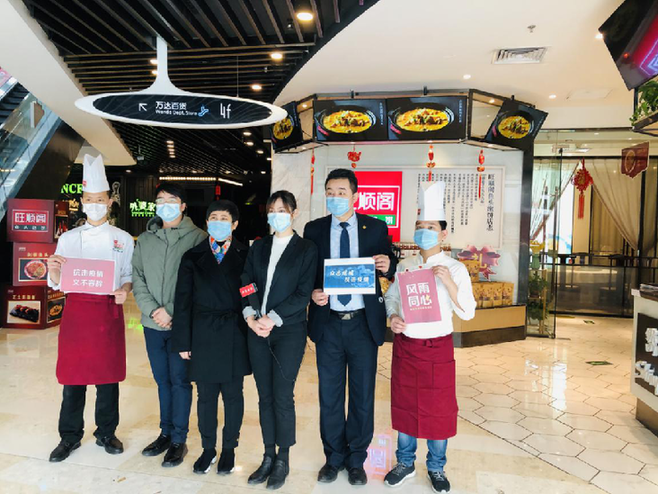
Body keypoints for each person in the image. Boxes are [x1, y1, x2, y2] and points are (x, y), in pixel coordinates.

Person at [304, 168, 397, 486]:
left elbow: (390, 263)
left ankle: (357, 459)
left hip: (362, 324)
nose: (335, 197)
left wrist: (388, 265)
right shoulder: (314, 229)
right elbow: (306, 271)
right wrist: (312, 292)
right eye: (330, 192)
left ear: (355, 196)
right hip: (328, 323)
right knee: (329, 395)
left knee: (362, 395)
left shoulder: (375, 227)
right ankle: (333, 458)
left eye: (341, 192)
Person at [383, 182, 476, 493]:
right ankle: (405, 462)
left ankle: (436, 467)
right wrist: (393, 317)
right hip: (406, 347)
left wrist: (448, 283)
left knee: (438, 409)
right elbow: (392, 298)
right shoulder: (406, 266)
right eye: (420, 226)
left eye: (431, 227)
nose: (424, 232)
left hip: (437, 348)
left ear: (443, 234)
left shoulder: (455, 269)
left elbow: (468, 312)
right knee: (405, 405)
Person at [46, 155, 134, 462]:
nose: (95, 204)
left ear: (109, 202)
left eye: (100, 199)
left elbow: (127, 275)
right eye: (89, 199)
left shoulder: (123, 239)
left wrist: (124, 291)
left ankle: (106, 433)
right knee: (73, 379)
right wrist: (53, 268)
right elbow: (57, 281)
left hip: (108, 313)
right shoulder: (68, 239)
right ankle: (69, 436)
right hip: (77, 314)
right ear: (82, 202)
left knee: (107, 379)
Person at [241, 191, 318, 490]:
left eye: (282, 210)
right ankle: (267, 455)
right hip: (257, 329)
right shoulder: (259, 246)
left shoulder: (306, 249)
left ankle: (283, 458)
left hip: (288, 331)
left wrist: (271, 318)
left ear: (294, 213)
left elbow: (303, 293)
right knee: (264, 396)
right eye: (272, 210)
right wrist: (251, 316)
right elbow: (246, 282)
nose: (276, 215)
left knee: (282, 395)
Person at [171, 200, 251, 475]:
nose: (218, 222)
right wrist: (183, 341)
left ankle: (229, 448)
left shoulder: (246, 254)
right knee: (205, 397)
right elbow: (182, 302)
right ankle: (208, 449)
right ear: (206, 223)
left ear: (235, 224)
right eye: (213, 217)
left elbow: (251, 292)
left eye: (224, 218)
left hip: (235, 332)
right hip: (202, 333)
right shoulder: (192, 256)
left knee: (233, 395)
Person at [132, 182, 207, 467]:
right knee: (162, 380)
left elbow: (201, 283)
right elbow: (137, 278)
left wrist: (172, 311)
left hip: (182, 325)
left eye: (172, 200)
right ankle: (164, 433)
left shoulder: (199, 238)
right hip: (152, 325)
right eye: (160, 200)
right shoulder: (145, 239)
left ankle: (179, 439)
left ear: (183, 206)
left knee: (180, 381)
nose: (165, 205)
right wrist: (154, 311)